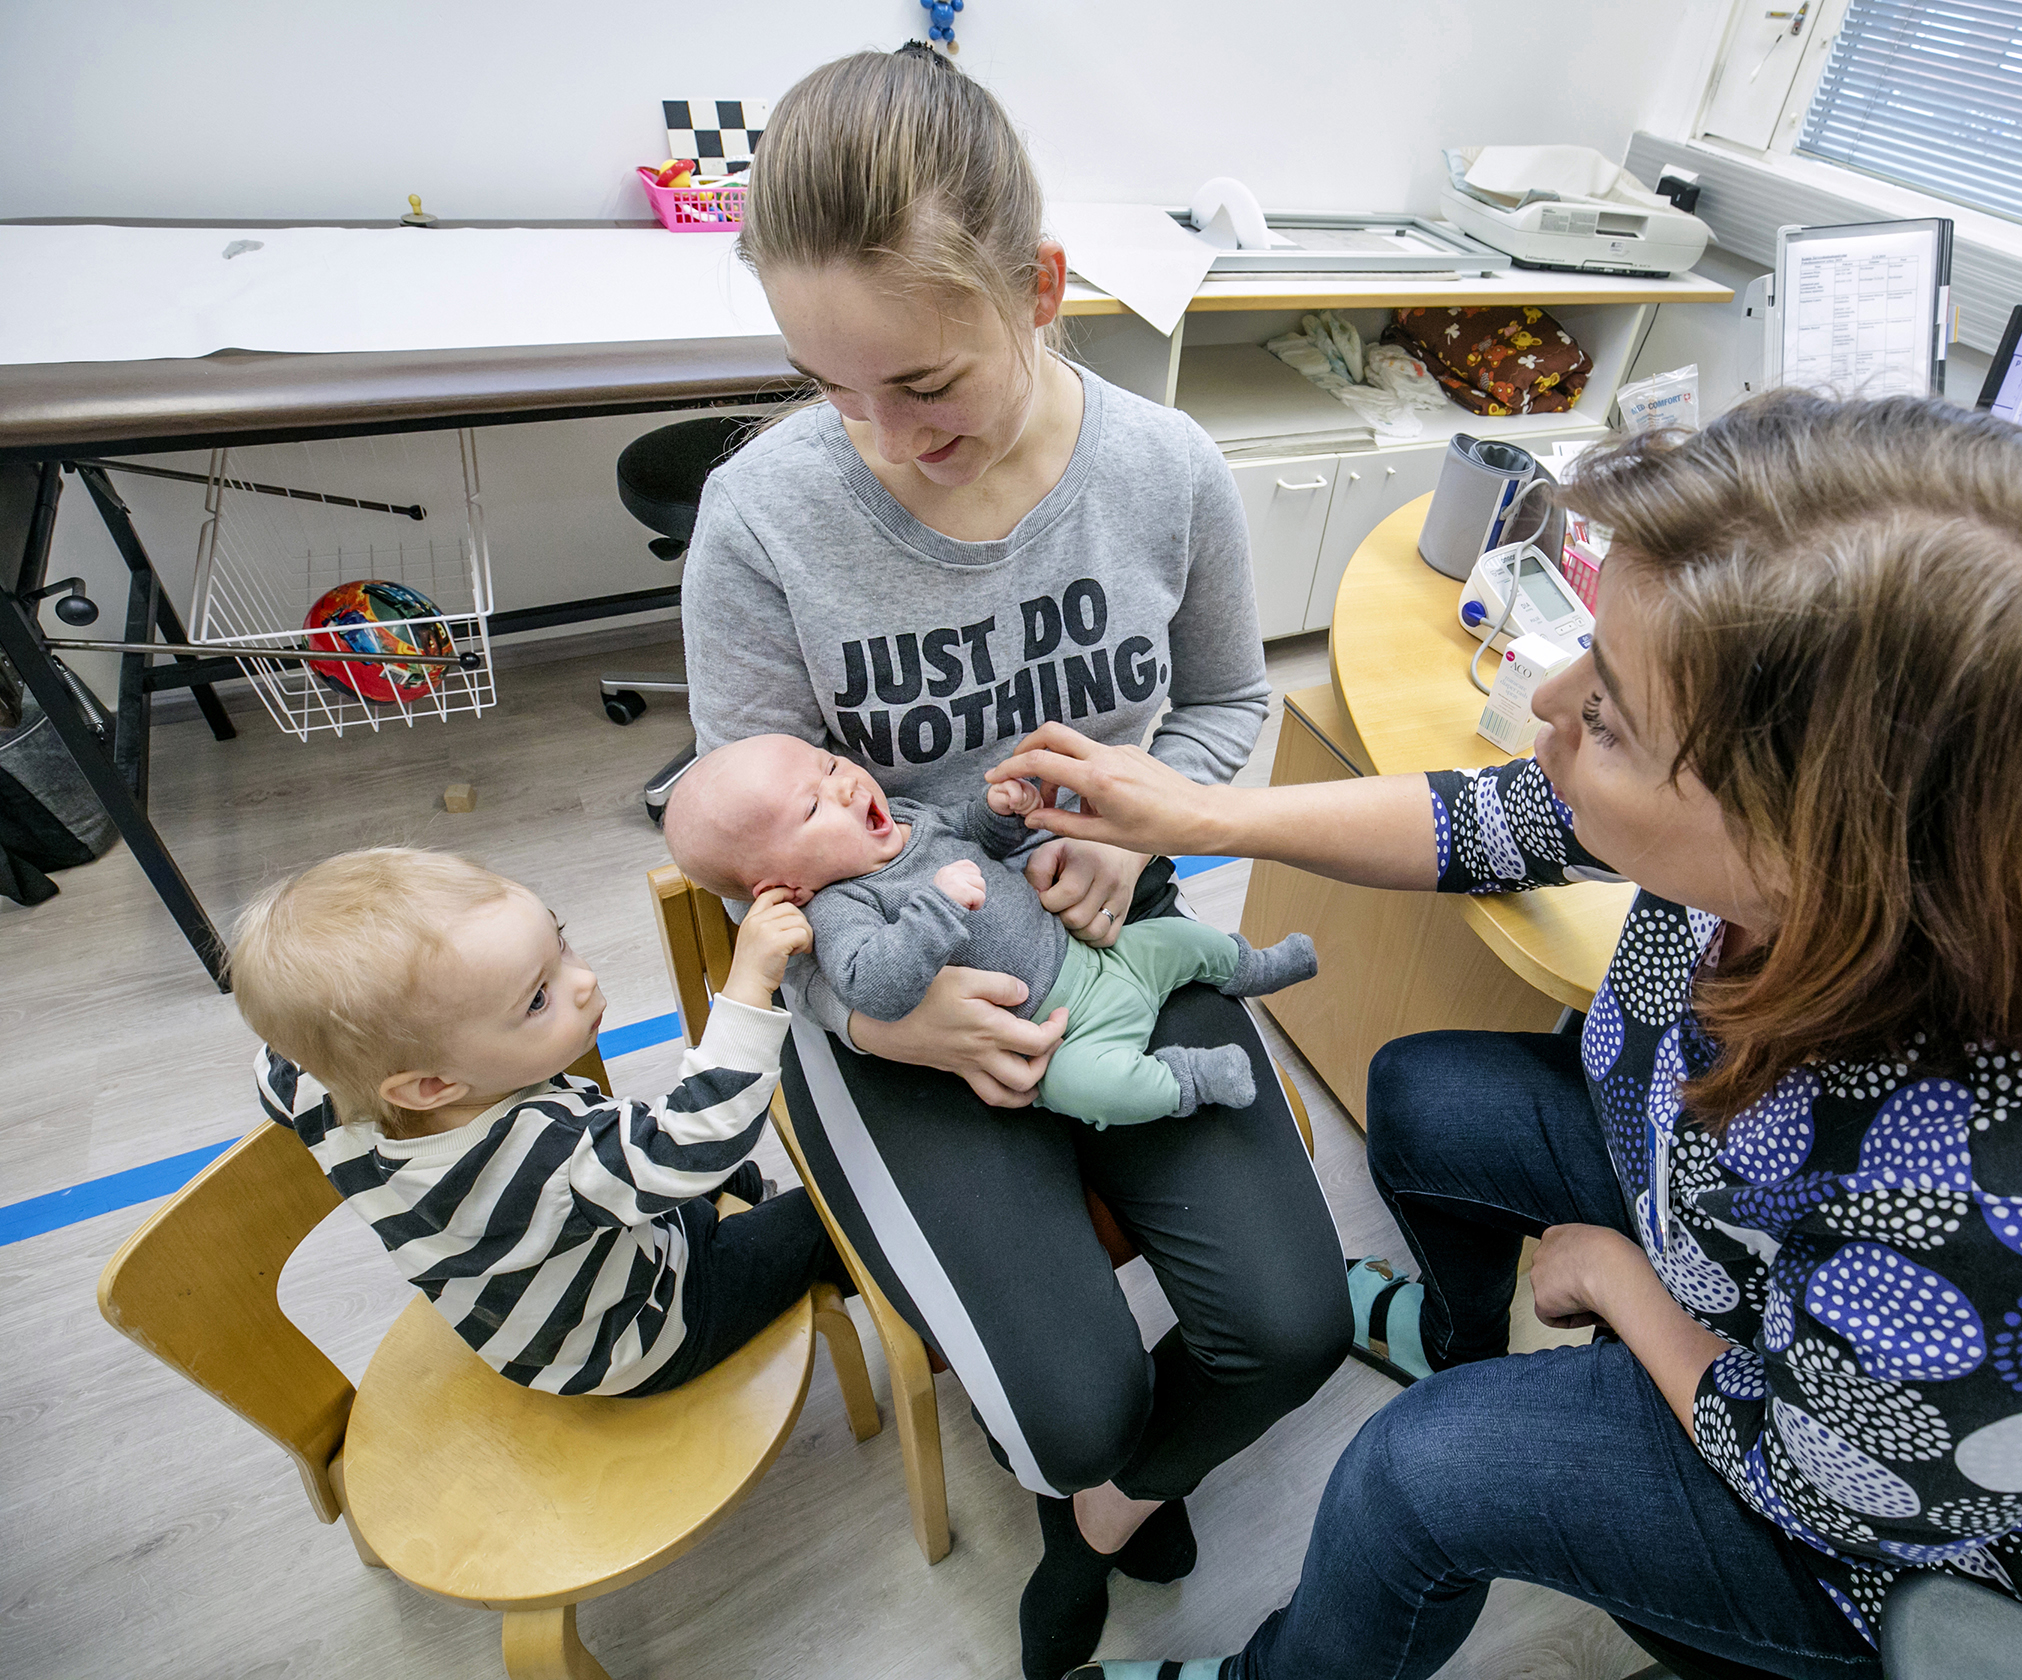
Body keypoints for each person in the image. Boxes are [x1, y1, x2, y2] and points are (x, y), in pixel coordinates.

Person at [990, 391, 2022, 1680]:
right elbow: (1494, 819)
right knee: (1422, 1094)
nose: (1553, 704)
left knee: (1420, 1475)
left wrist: (1620, 1280)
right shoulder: (1889, 841)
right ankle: (1460, 1333)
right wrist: (1196, 817)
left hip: (1941, 1543)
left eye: (1609, 713)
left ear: (1815, 836)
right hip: (1740, 1223)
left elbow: (1823, 1479)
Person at [677, 43, 1349, 1678]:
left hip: (1115, 918)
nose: (884, 439)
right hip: (889, 964)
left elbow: (1226, 702)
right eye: (828, 387)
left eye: (922, 382)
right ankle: (1093, 1474)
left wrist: (1144, 828)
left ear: (1039, 289)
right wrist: (864, 1009)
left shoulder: (1164, 472)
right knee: (1065, 1400)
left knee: (1294, 1330)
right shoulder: (761, 522)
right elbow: (745, 847)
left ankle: (1107, 1513)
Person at [227, 847, 844, 1397]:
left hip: (533, 1311)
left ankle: (733, 1207)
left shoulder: (309, 1086)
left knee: (690, 1186)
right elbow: (701, 1139)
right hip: (640, 1335)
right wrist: (747, 986)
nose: (584, 981)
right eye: (537, 998)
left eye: (561, 940)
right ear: (433, 1085)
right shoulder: (548, 1157)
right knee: (837, 1216)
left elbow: (274, 1062)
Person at [661, 733, 1319, 1126]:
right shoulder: (837, 909)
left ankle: (1252, 967)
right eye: (811, 808)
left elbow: (969, 836)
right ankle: (1190, 1082)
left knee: (1182, 945)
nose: (843, 787)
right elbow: (877, 988)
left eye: (831, 766)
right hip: (1061, 1037)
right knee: (1088, 1090)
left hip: (1096, 956)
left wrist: (1003, 813)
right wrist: (936, 910)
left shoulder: (909, 816)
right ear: (785, 887)